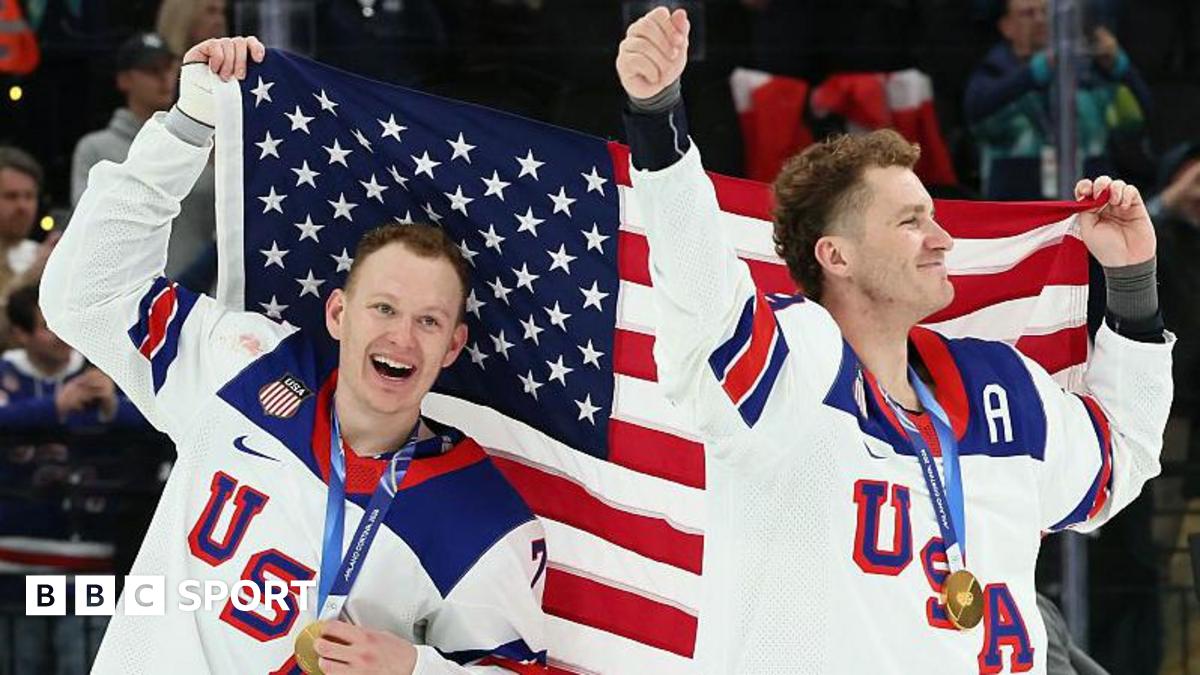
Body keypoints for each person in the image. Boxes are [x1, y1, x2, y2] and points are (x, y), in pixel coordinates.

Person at [617, 6, 1171, 673]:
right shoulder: (792, 374)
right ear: (836, 256)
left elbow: (1122, 458)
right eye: (911, 222)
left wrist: (1132, 281)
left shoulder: (1002, 386)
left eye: (933, 217)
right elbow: (701, 286)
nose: (942, 239)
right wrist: (657, 121)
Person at [42, 36, 547, 674]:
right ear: (338, 314)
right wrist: (187, 126)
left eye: (428, 321)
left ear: (453, 346)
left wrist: (416, 669)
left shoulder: (483, 520)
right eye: (383, 309)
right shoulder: (242, 366)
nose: (400, 338)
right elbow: (85, 296)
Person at [964, 0, 1152, 200]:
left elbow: (1140, 119)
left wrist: (1118, 66)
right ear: (1006, 26)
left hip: (1088, 205)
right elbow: (977, 115)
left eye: (1045, 12)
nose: (1040, 20)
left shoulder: (1091, 75)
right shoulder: (994, 73)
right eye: (1028, 14)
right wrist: (1033, 74)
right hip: (1019, 207)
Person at [71, 32, 217, 285]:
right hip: (133, 297)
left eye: (169, 68)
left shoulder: (204, 144)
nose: (164, 78)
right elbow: (91, 227)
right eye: (151, 70)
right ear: (124, 80)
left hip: (203, 296)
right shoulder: (95, 148)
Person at [0, 146, 55, 294]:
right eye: (11, 196)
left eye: (29, 196)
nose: (22, 206)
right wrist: (29, 277)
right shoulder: (38, 264)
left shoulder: (38, 255)